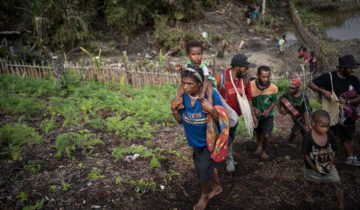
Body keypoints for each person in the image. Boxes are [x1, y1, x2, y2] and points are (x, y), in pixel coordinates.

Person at [171, 65, 225, 210]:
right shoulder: (182, 97)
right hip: (195, 141)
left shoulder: (211, 95)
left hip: (210, 141)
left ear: (199, 83)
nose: (185, 87)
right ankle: (218, 187)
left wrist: (211, 110)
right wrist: (174, 109)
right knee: (206, 165)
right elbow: (180, 120)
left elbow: (222, 120)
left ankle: (204, 195)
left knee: (202, 170)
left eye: (190, 84)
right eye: (183, 83)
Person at [308, 54, 360, 166]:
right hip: (330, 112)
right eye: (350, 67)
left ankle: (350, 157)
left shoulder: (354, 80)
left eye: (354, 67)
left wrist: (349, 102)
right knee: (327, 134)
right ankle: (324, 159)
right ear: (342, 67)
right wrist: (323, 92)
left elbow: (359, 96)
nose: (353, 70)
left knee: (348, 135)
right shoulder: (329, 77)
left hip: (347, 114)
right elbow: (310, 83)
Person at [215, 53, 258, 172]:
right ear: (236, 67)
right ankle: (224, 157)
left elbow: (248, 97)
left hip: (235, 117)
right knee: (225, 138)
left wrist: (252, 116)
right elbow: (213, 97)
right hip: (222, 117)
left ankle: (227, 156)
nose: (248, 71)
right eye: (245, 68)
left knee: (231, 137)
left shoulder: (245, 79)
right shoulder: (221, 79)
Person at [302, 110, 343, 209]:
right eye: (322, 126)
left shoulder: (330, 135)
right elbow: (306, 155)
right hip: (311, 168)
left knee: (338, 184)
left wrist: (330, 164)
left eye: (327, 126)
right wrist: (314, 168)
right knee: (308, 182)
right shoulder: (308, 138)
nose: (325, 129)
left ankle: (340, 205)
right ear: (313, 124)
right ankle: (306, 195)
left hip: (328, 165)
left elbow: (333, 150)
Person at [175, 40, 213, 110]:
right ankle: (179, 102)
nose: (197, 56)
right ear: (188, 55)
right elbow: (185, 76)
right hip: (192, 82)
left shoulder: (203, 66)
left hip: (202, 82)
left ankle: (210, 103)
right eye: (193, 54)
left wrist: (202, 92)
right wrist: (180, 70)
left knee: (209, 86)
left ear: (202, 54)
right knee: (181, 87)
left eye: (199, 54)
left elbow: (205, 80)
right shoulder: (188, 64)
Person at [251, 66, 278, 159]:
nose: (265, 79)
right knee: (258, 132)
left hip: (268, 115)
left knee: (266, 135)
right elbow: (247, 99)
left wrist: (268, 110)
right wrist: (254, 108)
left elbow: (274, 101)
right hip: (256, 115)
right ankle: (259, 145)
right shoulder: (250, 86)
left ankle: (264, 151)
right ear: (257, 75)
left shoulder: (273, 88)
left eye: (267, 77)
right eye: (263, 77)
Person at [278, 78, 311, 144]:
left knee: (296, 130)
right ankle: (306, 143)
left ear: (298, 88)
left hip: (303, 116)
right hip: (294, 114)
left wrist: (307, 124)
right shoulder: (288, 93)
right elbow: (280, 100)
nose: (290, 89)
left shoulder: (304, 97)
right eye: (290, 87)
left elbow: (306, 111)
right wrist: (280, 110)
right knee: (302, 131)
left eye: (293, 88)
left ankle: (289, 142)